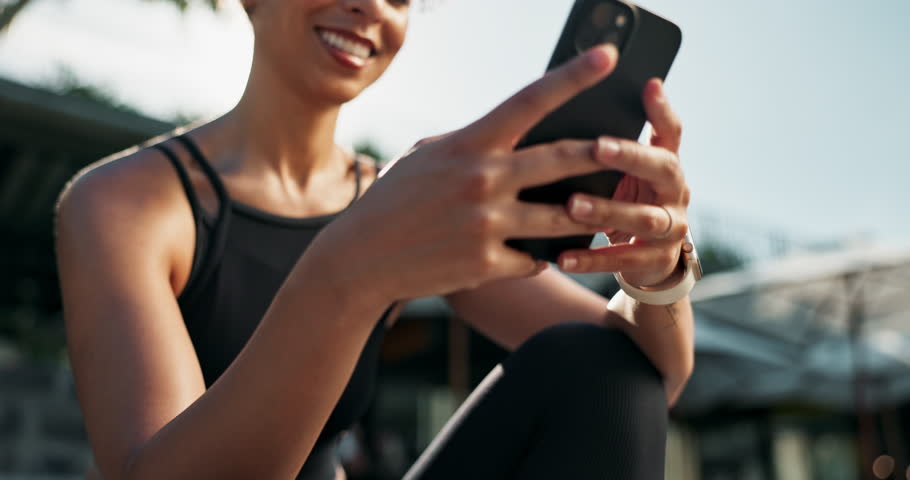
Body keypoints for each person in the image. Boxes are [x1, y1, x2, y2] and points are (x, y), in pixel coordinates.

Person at [54, 0, 695, 479]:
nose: (368, 5)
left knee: (599, 366)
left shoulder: (399, 199)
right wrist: (353, 267)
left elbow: (641, 380)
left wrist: (657, 272)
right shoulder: (124, 201)